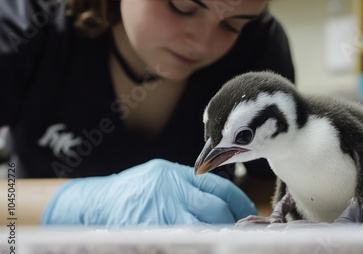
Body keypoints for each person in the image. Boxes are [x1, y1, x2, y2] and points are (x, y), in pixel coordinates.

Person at [0, 0, 295, 226]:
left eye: (233, 24)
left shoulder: (258, 49)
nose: (202, 43)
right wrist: (83, 205)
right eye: (182, 6)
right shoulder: (26, 25)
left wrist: (240, 227)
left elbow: (268, 182)